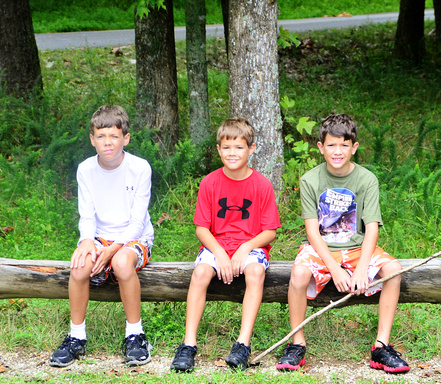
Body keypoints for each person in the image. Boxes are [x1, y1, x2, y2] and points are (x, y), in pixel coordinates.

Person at [276, 114, 410, 374]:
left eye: (344, 145)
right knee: (299, 274)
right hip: (321, 248)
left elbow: (371, 228)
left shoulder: (366, 179)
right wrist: (335, 269)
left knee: (393, 269)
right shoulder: (310, 180)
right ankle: (297, 343)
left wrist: (360, 268)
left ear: (354, 147)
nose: (338, 152)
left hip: (358, 248)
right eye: (331, 145)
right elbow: (313, 231)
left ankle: (381, 346)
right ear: (320, 147)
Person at [170, 118, 281, 372]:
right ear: (219, 150)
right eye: (227, 147)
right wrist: (219, 252)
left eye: (239, 147)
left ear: (251, 149)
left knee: (255, 271)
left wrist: (244, 248)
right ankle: (188, 345)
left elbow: (270, 231)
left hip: (251, 246)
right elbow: (202, 228)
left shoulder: (261, 185)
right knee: (200, 273)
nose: (233, 153)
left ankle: (242, 344)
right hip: (216, 245)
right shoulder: (210, 182)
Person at [49, 105, 155, 368]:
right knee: (80, 265)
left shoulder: (140, 168)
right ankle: (77, 337)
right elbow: (87, 215)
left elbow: (138, 222)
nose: (108, 142)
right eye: (101, 136)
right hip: (99, 236)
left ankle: (135, 335)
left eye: (115, 136)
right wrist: (87, 241)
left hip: (135, 238)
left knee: (120, 263)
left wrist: (111, 252)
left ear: (126, 138)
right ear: (92, 139)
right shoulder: (85, 169)